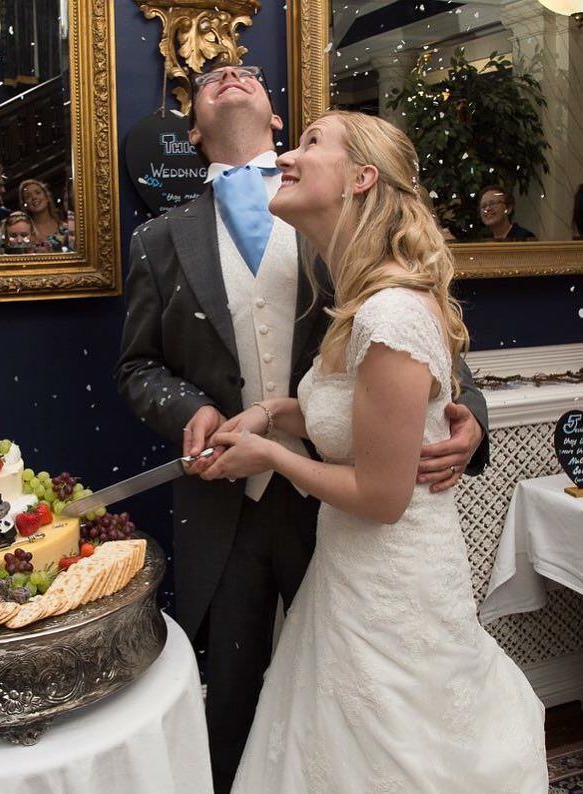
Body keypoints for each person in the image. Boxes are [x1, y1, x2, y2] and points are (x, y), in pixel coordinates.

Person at [114, 63, 489, 793]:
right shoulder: (160, 240)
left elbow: (426, 335)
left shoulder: (333, 213)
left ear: (280, 126)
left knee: (367, 716)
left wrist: (468, 412)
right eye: (212, 78)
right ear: (192, 131)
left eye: (249, 71)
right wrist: (192, 410)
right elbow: (137, 368)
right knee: (237, 705)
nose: (231, 69)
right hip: (226, 510)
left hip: (346, 517)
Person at [197, 110, 547, 793]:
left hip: (394, 586)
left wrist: (269, 455)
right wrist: (271, 411)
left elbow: (383, 499)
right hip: (348, 580)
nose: (288, 157)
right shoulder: (361, 299)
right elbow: (343, 419)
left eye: (310, 142)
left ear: (361, 179)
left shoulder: (388, 314)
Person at [19, 179, 68, 250]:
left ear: (47, 197)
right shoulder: (24, 234)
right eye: (28, 197)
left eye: (38, 193)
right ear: (25, 205)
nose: (34, 197)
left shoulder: (66, 229)